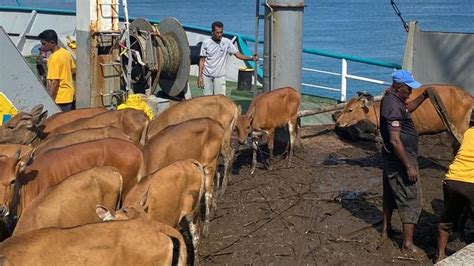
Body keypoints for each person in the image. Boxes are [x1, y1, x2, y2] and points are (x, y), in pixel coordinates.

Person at [378, 70, 431, 258]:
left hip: (393, 157)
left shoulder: (395, 100)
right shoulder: (393, 106)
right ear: (399, 86)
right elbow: (395, 140)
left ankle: (386, 229)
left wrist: (424, 96)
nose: (410, 92)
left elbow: (408, 108)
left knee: (391, 192)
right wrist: (409, 165)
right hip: (401, 158)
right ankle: (407, 244)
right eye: (408, 88)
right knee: (411, 197)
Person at [436, 127, 474, 262]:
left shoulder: (469, 132)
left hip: (452, 180)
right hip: (471, 183)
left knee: (446, 221)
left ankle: (440, 257)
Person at [198, 21, 258, 96]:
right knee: (207, 99)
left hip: (220, 76)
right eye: (217, 32)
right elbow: (202, 60)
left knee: (220, 100)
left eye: (221, 32)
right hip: (206, 76)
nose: (219, 35)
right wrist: (200, 77)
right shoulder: (206, 43)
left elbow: (237, 54)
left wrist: (251, 58)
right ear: (212, 32)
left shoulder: (227, 42)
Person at [38, 29, 76, 111]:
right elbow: (73, 70)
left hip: (60, 98)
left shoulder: (53, 58)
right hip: (70, 96)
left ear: (52, 43)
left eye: (44, 44)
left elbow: (54, 82)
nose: (42, 46)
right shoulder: (66, 53)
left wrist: (49, 100)